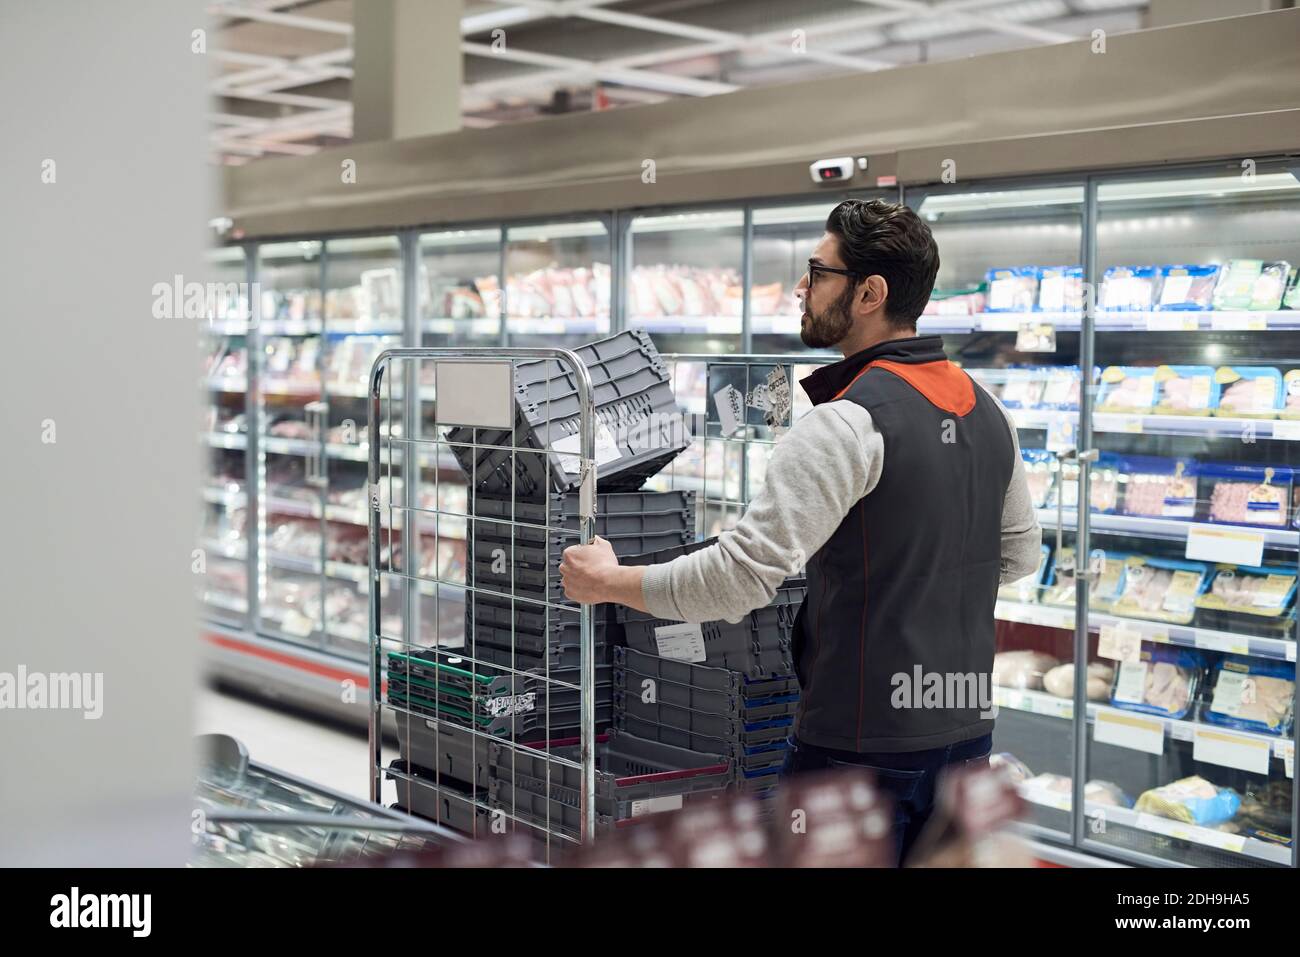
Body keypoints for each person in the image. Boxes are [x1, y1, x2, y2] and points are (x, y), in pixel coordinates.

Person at [559, 198, 1041, 864]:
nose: (801, 289)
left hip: (856, 749)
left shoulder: (846, 422)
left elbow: (737, 580)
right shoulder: (989, 412)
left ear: (869, 292)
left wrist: (609, 581)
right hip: (966, 742)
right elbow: (1017, 555)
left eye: (818, 273)